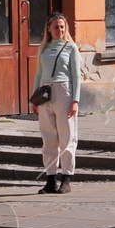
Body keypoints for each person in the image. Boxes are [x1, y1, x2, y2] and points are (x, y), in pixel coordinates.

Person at [31, 13, 81, 195]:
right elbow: (38, 74)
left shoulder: (71, 48)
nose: (59, 30)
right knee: (48, 138)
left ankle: (66, 179)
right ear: (48, 29)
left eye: (62, 27)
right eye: (56, 27)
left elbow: (76, 75)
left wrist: (75, 100)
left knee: (67, 137)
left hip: (64, 92)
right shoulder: (44, 48)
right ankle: (50, 180)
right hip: (45, 93)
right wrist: (34, 99)